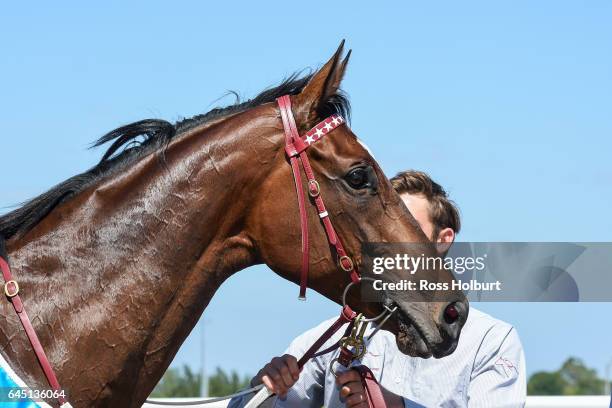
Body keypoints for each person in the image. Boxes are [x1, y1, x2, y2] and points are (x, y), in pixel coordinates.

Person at [230, 170, 526, 407]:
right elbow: (246, 406)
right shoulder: (339, 333)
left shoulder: (492, 340)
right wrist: (264, 390)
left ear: (443, 240)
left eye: (410, 229)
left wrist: (399, 406)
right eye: (383, 229)